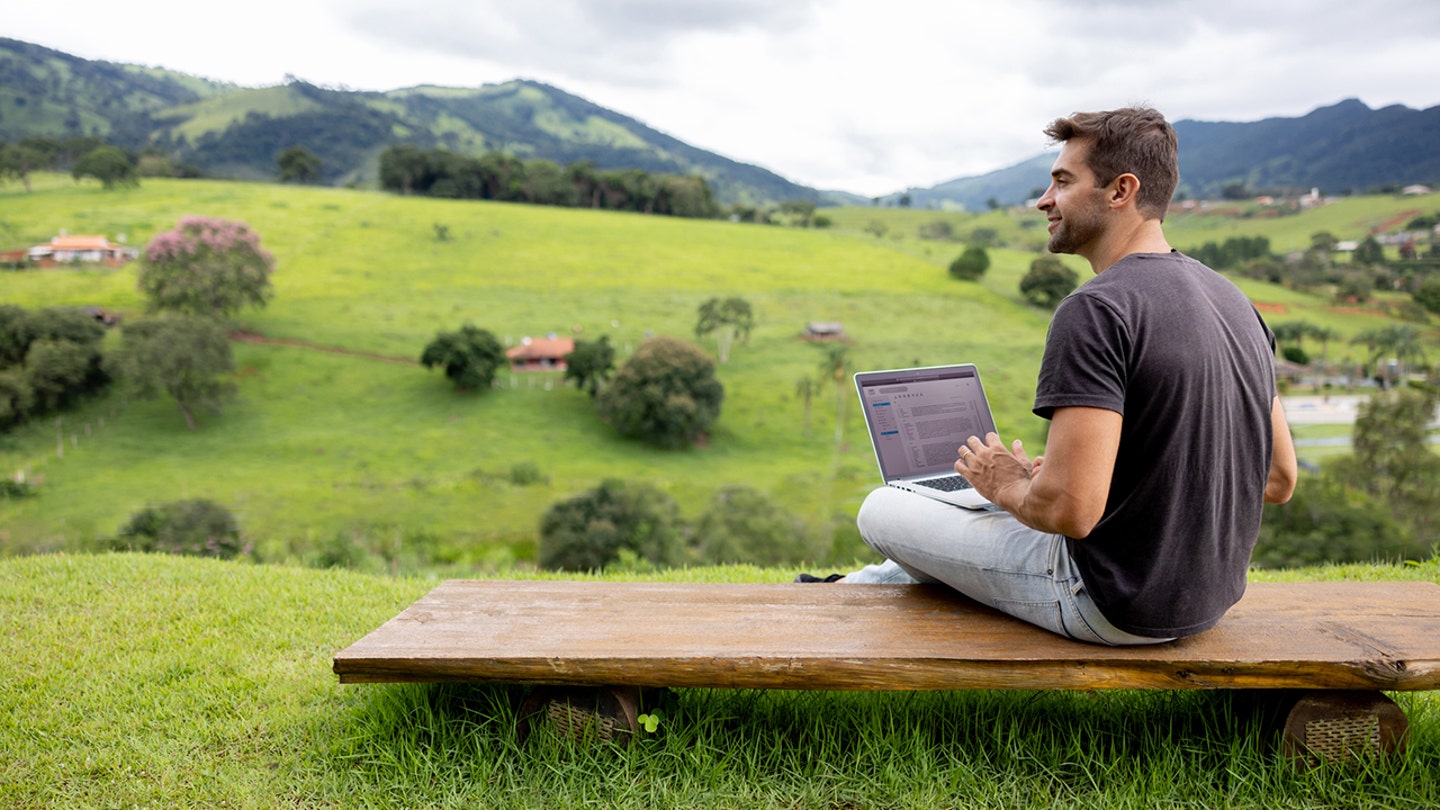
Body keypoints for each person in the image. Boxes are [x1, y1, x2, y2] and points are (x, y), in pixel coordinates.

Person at [812, 106, 1298, 645]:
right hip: (1208, 601)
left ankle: (869, 578)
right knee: (972, 513)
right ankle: (872, 581)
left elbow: (1070, 511)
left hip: (1105, 601)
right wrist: (1071, 478)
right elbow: (1278, 480)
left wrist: (1009, 484)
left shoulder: (1098, 308)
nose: (1044, 200)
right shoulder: (1234, 302)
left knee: (883, 508)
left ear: (1121, 191)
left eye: (1063, 182)